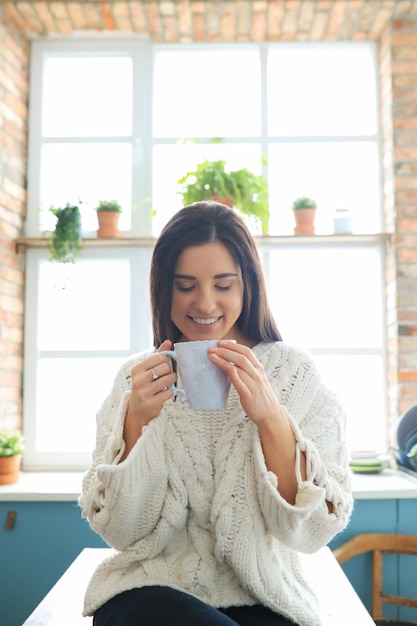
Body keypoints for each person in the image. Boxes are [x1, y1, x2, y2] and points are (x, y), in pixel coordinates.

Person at [79, 201, 353, 626]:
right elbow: (122, 532)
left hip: (265, 599)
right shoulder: (134, 382)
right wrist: (135, 424)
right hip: (154, 595)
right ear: (163, 288)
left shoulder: (292, 373)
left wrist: (272, 420)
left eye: (223, 285)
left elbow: (312, 532)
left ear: (249, 287)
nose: (205, 303)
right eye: (185, 285)